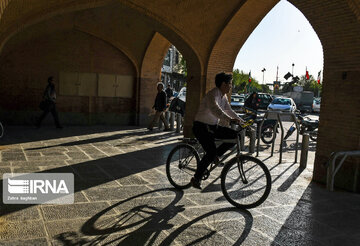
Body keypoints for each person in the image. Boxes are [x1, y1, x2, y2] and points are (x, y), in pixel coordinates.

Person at [191, 72, 244, 189]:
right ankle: (196, 178)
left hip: (212, 127)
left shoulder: (223, 96)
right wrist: (230, 120)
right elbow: (216, 110)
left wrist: (241, 121)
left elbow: (229, 110)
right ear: (223, 84)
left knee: (236, 136)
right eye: (230, 84)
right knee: (210, 153)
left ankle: (217, 155)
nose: (231, 86)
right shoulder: (212, 94)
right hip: (201, 126)